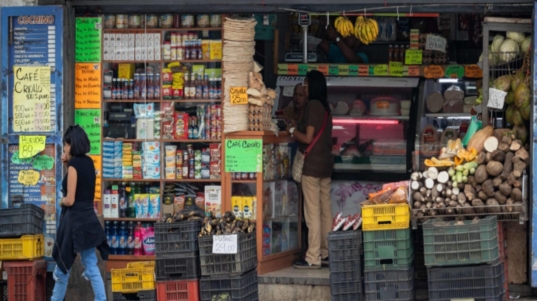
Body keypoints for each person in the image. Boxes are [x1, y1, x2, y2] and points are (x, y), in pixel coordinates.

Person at [52, 125, 109, 301]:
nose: (65, 148)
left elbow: (70, 199)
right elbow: (82, 186)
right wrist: (67, 163)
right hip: (88, 220)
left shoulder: (75, 165)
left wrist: (60, 201)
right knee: (91, 265)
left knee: (62, 268)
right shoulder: (88, 162)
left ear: (72, 144)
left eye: (66, 145)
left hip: (74, 223)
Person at [289, 70, 334, 269]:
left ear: (312, 86)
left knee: (312, 212)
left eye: (305, 84)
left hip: (312, 166)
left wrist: (292, 130)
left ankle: (313, 257)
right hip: (325, 166)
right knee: (325, 210)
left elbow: (307, 138)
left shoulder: (312, 106)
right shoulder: (325, 107)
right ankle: (325, 252)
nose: (304, 87)